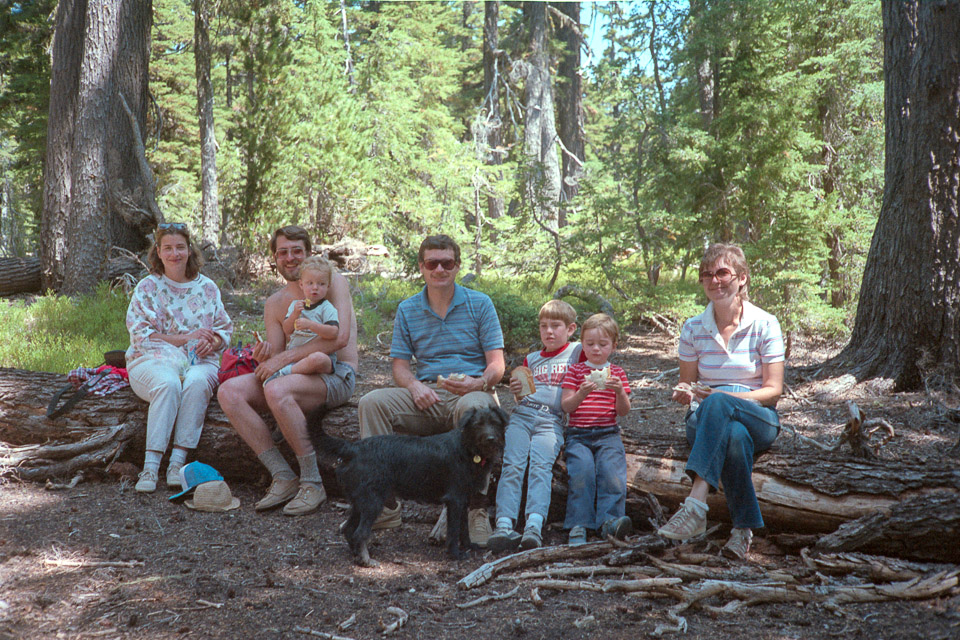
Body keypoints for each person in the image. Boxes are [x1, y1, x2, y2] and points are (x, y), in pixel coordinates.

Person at [357, 234, 505, 544]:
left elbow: (497, 365)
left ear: (457, 266)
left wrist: (478, 382)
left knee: (473, 410)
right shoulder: (409, 308)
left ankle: (475, 511)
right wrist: (413, 386)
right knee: (371, 402)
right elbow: (399, 366)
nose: (439, 269)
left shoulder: (480, 304)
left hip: (471, 393)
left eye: (447, 263)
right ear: (421, 267)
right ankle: (383, 502)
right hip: (427, 395)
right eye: (432, 263)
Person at [217, 226, 359, 516]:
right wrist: (264, 354)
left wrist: (282, 361)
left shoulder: (333, 284)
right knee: (229, 392)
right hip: (296, 375)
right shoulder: (276, 302)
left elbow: (340, 337)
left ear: (309, 254)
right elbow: (277, 355)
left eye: (297, 251)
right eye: (283, 252)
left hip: (335, 374)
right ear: (275, 258)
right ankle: (283, 475)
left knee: (277, 388)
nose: (290, 258)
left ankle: (312, 483)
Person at [657, 243, 784, 560]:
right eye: (707, 275)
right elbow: (687, 382)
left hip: (758, 416)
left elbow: (773, 390)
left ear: (742, 278)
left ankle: (695, 504)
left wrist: (723, 397)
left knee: (721, 406)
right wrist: (684, 391)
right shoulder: (692, 328)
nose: (715, 280)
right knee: (733, 437)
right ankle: (743, 531)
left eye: (722, 272)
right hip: (706, 422)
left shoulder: (765, 324)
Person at [126, 223, 233, 493]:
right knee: (169, 384)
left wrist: (214, 342)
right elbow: (143, 337)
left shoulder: (207, 288)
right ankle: (150, 467)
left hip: (200, 361)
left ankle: (177, 463)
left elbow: (224, 329)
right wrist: (187, 338)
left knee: (197, 383)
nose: (175, 254)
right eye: (168, 248)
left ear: (190, 250)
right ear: (158, 253)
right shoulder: (148, 287)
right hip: (152, 359)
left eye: (180, 247)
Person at [487, 300, 584, 552]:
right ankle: (504, 524)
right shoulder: (531, 359)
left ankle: (534, 525)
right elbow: (522, 396)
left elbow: (598, 353)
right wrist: (516, 391)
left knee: (541, 467)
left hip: (552, 420)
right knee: (512, 464)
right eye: (543, 326)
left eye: (556, 326)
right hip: (522, 415)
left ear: (571, 329)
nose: (549, 332)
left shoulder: (576, 351)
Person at [560, 313, 633, 545]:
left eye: (602, 344)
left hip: (608, 433)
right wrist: (581, 393)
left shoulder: (618, 373)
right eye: (590, 344)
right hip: (578, 435)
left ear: (613, 346)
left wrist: (620, 391)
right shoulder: (575, 371)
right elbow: (566, 406)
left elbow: (623, 411)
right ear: (582, 343)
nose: (596, 349)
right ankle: (578, 524)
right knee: (581, 471)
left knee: (612, 473)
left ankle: (610, 522)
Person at [264, 255, 339, 384]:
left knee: (318, 359)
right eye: (310, 283)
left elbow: (333, 332)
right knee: (305, 364)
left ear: (328, 286)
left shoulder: (327, 308)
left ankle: (285, 372)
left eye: (321, 284)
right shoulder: (295, 305)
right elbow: (287, 330)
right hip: (296, 357)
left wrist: (310, 325)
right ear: (301, 285)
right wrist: (294, 315)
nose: (315, 287)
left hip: (321, 356)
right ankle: (292, 371)